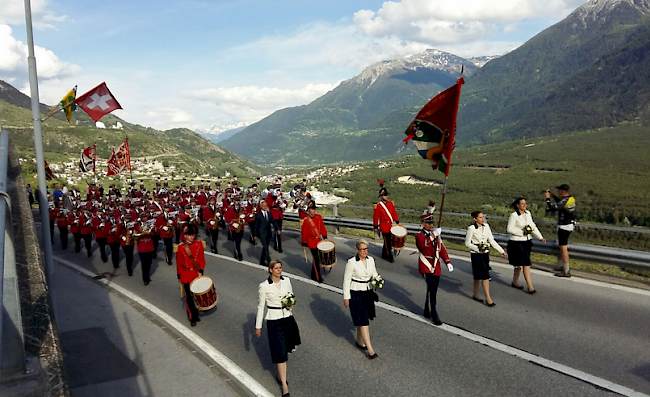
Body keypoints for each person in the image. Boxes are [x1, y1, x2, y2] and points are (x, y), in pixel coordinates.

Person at [255, 261, 301, 397]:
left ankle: (279, 375)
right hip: (273, 320)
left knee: (286, 349)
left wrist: (290, 304)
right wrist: (258, 326)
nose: (279, 270)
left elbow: (291, 295)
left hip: (287, 318)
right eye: (276, 268)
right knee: (280, 352)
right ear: (270, 270)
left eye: (280, 268)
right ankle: (284, 386)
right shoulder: (264, 286)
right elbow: (260, 306)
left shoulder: (287, 280)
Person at [415, 202, 454, 323]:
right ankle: (434, 314)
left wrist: (447, 262)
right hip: (426, 265)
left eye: (432, 223)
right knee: (432, 290)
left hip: (436, 266)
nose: (431, 225)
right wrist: (433, 235)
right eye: (428, 223)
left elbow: (441, 249)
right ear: (423, 224)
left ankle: (427, 309)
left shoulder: (436, 236)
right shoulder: (419, 235)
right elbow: (423, 245)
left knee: (433, 289)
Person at [343, 240, 379, 359]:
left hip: (367, 292)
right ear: (357, 250)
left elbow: (374, 273)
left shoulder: (371, 260)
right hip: (355, 292)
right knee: (363, 320)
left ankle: (359, 341)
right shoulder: (351, 262)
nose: (364, 251)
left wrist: (377, 281)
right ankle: (370, 348)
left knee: (363, 318)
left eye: (366, 249)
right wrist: (346, 297)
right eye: (362, 249)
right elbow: (347, 280)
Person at [466, 211, 508, 304]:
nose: (482, 219)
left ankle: (484, 296)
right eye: (480, 217)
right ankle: (480, 296)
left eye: (483, 217)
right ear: (475, 219)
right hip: (476, 254)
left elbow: (492, 240)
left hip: (485, 253)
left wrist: (502, 251)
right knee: (478, 276)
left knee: (485, 275)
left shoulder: (486, 227)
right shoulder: (471, 229)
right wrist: (477, 248)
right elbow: (467, 243)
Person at [507, 198, 546, 292]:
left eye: (525, 203)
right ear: (517, 205)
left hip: (527, 241)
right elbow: (509, 229)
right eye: (522, 204)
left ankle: (521, 283)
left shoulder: (528, 213)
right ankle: (525, 284)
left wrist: (540, 237)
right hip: (517, 242)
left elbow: (532, 226)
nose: (524, 205)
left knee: (524, 263)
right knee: (521, 264)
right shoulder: (514, 215)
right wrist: (522, 232)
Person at [176, 225, 205, 327]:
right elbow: (178, 262)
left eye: (192, 235)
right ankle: (192, 316)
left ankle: (197, 312)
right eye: (189, 235)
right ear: (185, 236)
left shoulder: (199, 244)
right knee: (188, 297)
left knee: (197, 295)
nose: (191, 237)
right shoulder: (180, 247)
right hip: (185, 273)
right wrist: (179, 275)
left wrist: (201, 270)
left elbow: (202, 258)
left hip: (196, 273)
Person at [545, 184, 576, 278]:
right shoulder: (571, 199)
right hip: (570, 225)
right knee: (562, 247)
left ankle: (566, 270)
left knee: (563, 248)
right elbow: (561, 202)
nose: (558, 192)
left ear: (562, 191)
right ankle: (561, 265)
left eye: (559, 190)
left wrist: (547, 199)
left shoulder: (563, 201)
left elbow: (549, 209)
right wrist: (553, 195)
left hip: (564, 227)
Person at [300, 200, 328, 283]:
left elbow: (322, 228)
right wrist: (303, 243)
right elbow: (304, 233)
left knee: (318, 258)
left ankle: (313, 274)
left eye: (314, 209)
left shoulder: (319, 217)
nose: (313, 210)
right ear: (308, 210)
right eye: (312, 209)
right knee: (316, 259)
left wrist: (325, 236)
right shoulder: (306, 221)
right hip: (311, 241)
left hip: (318, 240)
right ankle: (317, 277)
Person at [373, 181, 399, 263]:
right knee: (388, 241)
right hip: (383, 225)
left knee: (387, 241)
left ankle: (384, 254)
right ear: (381, 197)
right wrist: (375, 226)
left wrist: (397, 221)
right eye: (384, 195)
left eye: (386, 195)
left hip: (390, 224)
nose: (386, 197)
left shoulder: (391, 204)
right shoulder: (378, 206)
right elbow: (376, 217)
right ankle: (390, 256)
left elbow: (394, 213)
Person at [255, 200, 280, 267]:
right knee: (266, 247)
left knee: (265, 247)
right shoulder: (258, 215)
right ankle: (269, 262)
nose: (265, 207)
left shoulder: (268, 213)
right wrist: (255, 235)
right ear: (260, 206)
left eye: (266, 206)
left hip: (268, 233)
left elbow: (273, 221)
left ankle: (262, 260)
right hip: (261, 233)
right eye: (263, 206)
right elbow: (256, 225)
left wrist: (277, 228)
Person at [135, 212, 155, 285]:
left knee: (149, 262)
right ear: (141, 218)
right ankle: (145, 278)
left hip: (149, 245)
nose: (145, 218)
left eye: (146, 217)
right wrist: (140, 233)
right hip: (142, 245)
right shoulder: (137, 225)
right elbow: (135, 234)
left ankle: (147, 275)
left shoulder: (149, 223)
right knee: (144, 263)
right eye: (143, 217)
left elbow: (153, 233)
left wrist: (152, 229)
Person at [224, 196, 246, 260]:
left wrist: (244, 218)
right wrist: (232, 223)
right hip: (234, 226)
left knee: (239, 240)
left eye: (238, 200)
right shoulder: (230, 208)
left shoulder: (241, 208)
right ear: (234, 201)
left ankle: (238, 252)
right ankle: (238, 254)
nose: (237, 202)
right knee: (237, 241)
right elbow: (227, 217)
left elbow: (245, 213)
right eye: (236, 200)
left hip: (241, 226)